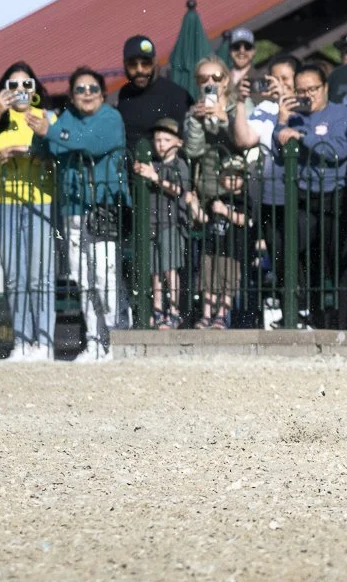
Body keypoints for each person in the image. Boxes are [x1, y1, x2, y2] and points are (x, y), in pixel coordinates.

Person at [29, 67, 126, 362]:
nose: (87, 94)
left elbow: (91, 142)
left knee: (104, 274)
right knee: (83, 279)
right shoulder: (66, 119)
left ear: (103, 93)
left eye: (93, 88)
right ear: (71, 95)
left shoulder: (111, 117)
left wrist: (53, 131)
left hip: (103, 207)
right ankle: (95, 342)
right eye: (80, 90)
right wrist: (43, 132)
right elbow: (45, 149)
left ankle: (116, 338)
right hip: (72, 208)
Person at [0, 63, 57, 361]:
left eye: (26, 85)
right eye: (13, 86)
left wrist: (31, 152)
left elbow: (57, 150)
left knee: (40, 276)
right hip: (4, 204)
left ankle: (45, 342)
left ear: (35, 89)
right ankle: (23, 342)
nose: (20, 91)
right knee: (15, 277)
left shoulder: (46, 117)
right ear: (4, 91)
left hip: (39, 201)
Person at [275, 62, 347, 328]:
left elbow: (337, 151)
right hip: (303, 196)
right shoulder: (295, 115)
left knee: (338, 258)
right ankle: (305, 313)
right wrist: (283, 122)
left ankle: (342, 320)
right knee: (301, 255)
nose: (308, 95)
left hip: (336, 196)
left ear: (326, 88)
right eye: (301, 90)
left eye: (313, 88)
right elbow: (279, 152)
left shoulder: (341, 114)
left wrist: (301, 135)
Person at [232, 55, 297, 327]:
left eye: (286, 79)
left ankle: (304, 310)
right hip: (271, 196)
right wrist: (238, 101)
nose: (279, 85)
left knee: (300, 254)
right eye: (275, 79)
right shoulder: (263, 109)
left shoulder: (304, 107)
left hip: (300, 195)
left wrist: (285, 109)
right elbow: (244, 139)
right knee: (279, 254)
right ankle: (285, 309)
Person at [132, 117, 191, 330]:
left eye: (166, 140)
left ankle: (174, 311)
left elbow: (179, 191)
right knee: (155, 271)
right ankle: (157, 309)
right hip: (152, 223)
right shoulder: (153, 163)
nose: (161, 144)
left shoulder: (180, 165)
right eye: (157, 140)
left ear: (179, 143)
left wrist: (154, 177)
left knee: (169, 270)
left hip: (171, 223)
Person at [193, 155, 253, 329]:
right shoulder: (217, 199)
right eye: (228, 175)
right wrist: (194, 205)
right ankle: (206, 315)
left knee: (228, 284)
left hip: (232, 248)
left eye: (237, 176)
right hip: (212, 247)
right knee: (209, 284)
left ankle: (221, 315)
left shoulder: (244, 199)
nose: (233, 180)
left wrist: (226, 212)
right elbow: (205, 219)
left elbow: (244, 220)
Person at [115, 35, 191, 153]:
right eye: (132, 64)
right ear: (124, 65)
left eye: (145, 64)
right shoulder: (124, 94)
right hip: (130, 167)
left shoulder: (177, 95)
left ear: (155, 62)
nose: (139, 70)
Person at [182, 58, 244, 205]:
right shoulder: (193, 114)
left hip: (238, 191)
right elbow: (193, 151)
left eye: (216, 77)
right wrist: (197, 121)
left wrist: (225, 118)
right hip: (207, 192)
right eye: (203, 78)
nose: (210, 82)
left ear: (226, 81)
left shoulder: (240, 108)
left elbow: (244, 144)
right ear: (198, 83)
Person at [226, 27, 259, 111]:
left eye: (247, 47)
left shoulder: (260, 78)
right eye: (236, 46)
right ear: (230, 50)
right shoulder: (221, 77)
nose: (242, 51)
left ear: (254, 51)